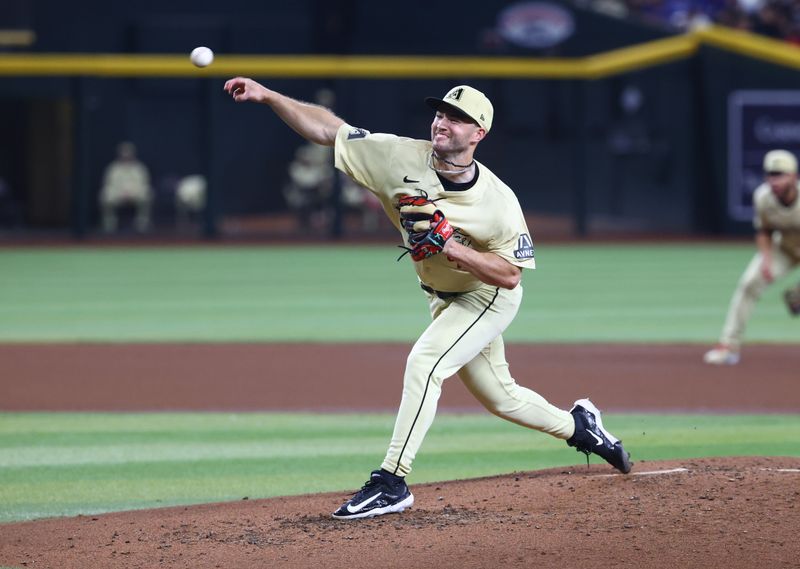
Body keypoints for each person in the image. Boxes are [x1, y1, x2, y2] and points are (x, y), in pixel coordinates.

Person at [224, 77, 633, 520]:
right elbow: (329, 130)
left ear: (479, 134)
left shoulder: (498, 202)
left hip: (486, 297)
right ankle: (582, 427)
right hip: (441, 295)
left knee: (425, 363)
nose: (444, 123)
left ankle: (391, 481)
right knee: (503, 399)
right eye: (441, 114)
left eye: (458, 119)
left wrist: (451, 246)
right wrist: (269, 97)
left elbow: (511, 276)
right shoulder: (398, 156)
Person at [704, 149, 800, 365]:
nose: (774, 181)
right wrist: (766, 260)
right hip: (784, 248)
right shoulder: (763, 197)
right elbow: (764, 231)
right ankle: (729, 346)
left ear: (794, 177)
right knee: (749, 283)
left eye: (780, 175)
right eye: (771, 175)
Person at [99, 141, 153, 233]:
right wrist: (122, 192)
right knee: (105, 195)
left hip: (135, 193)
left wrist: (131, 192)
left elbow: (144, 184)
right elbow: (109, 184)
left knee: (147, 193)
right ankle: (110, 224)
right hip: (118, 194)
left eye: (128, 154)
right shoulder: (113, 168)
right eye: (124, 154)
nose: (126, 156)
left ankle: (142, 224)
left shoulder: (139, 168)